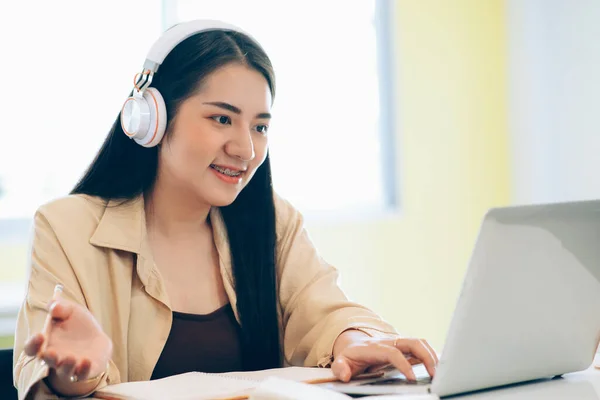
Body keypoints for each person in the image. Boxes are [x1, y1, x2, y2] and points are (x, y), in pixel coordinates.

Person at [12, 19, 438, 399]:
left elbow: (324, 309)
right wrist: (74, 374)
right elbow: (48, 374)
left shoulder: (273, 222)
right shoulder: (65, 228)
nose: (246, 149)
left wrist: (355, 339)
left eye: (260, 126)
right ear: (151, 119)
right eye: (221, 119)